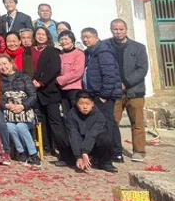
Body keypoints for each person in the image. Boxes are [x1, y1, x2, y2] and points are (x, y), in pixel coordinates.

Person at [80, 26, 123, 162]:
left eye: (88, 37)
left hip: (103, 95)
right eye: (83, 38)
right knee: (105, 123)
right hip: (94, 93)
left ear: (96, 37)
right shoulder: (90, 52)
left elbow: (109, 75)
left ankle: (109, 155)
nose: (85, 40)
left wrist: (104, 95)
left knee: (106, 125)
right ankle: (113, 152)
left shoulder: (103, 51)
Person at [110, 18, 148, 162]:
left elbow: (142, 69)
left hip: (135, 91)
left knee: (137, 123)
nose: (118, 31)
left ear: (126, 30)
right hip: (114, 91)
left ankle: (139, 151)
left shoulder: (138, 47)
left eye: (121, 29)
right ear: (111, 30)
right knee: (113, 122)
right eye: (115, 29)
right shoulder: (106, 46)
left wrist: (126, 82)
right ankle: (114, 151)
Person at [0, 54, 40, 165]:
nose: (3, 67)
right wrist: (7, 106)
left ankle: (33, 154)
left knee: (21, 126)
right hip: (10, 115)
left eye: (5, 63)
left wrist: (23, 106)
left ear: (11, 63)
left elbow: (33, 96)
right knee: (10, 127)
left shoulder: (24, 77)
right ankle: (21, 152)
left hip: (27, 114)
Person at [31, 26, 67, 161]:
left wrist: (41, 82)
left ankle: (61, 148)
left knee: (55, 120)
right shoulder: (30, 51)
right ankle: (46, 147)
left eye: (43, 34)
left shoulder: (52, 51)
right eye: (38, 34)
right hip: (35, 91)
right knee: (42, 121)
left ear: (48, 36)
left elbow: (54, 68)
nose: (40, 36)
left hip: (49, 90)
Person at [66, 92, 118, 173]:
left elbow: (92, 134)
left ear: (93, 104)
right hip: (78, 145)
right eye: (81, 104)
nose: (85, 107)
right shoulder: (71, 115)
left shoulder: (99, 116)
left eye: (88, 103)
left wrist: (85, 152)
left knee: (105, 139)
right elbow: (74, 134)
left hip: (92, 143)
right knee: (64, 136)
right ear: (76, 104)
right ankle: (69, 158)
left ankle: (105, 162)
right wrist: (79, 156)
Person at [56, 31, 85, 119]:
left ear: (72, 40)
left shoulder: (79, 54)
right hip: (62, 91)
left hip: (74, 90)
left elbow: (77, 73)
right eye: (61, 39)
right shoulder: (59, 54)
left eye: (66, 39)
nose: (64, 41)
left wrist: (59, 80)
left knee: (77, 115)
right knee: (67, 116)